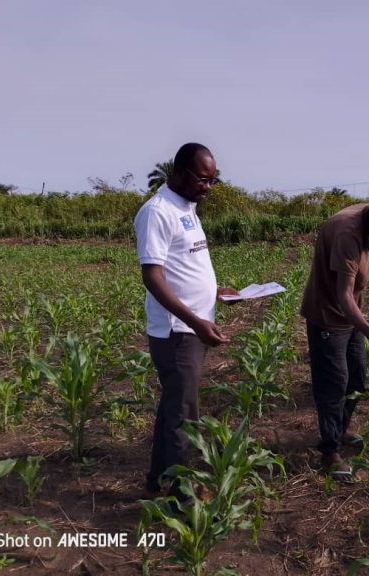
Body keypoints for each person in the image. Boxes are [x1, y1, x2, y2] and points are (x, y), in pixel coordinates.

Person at [133, 142, 238, 497]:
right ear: (178, 173)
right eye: (202, 180)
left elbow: (185, 267)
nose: (208, 188)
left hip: (190, 327)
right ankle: (181, 497)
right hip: (178, 332)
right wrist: (195, 322)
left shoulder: (187, 208)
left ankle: (156, 481)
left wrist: (215, 292)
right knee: (183, 416)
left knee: (173, 407)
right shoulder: (157, 212)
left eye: (213, 181)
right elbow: (153, 276)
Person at [301, 187, 369, 480]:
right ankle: (330, 450)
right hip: (327, 316)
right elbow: (344, 295)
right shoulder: (349, 234)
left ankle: (340, 431)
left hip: (349, 317)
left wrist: (364, 328)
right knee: (333, 383)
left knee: (357, 378)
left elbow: (350, 298)